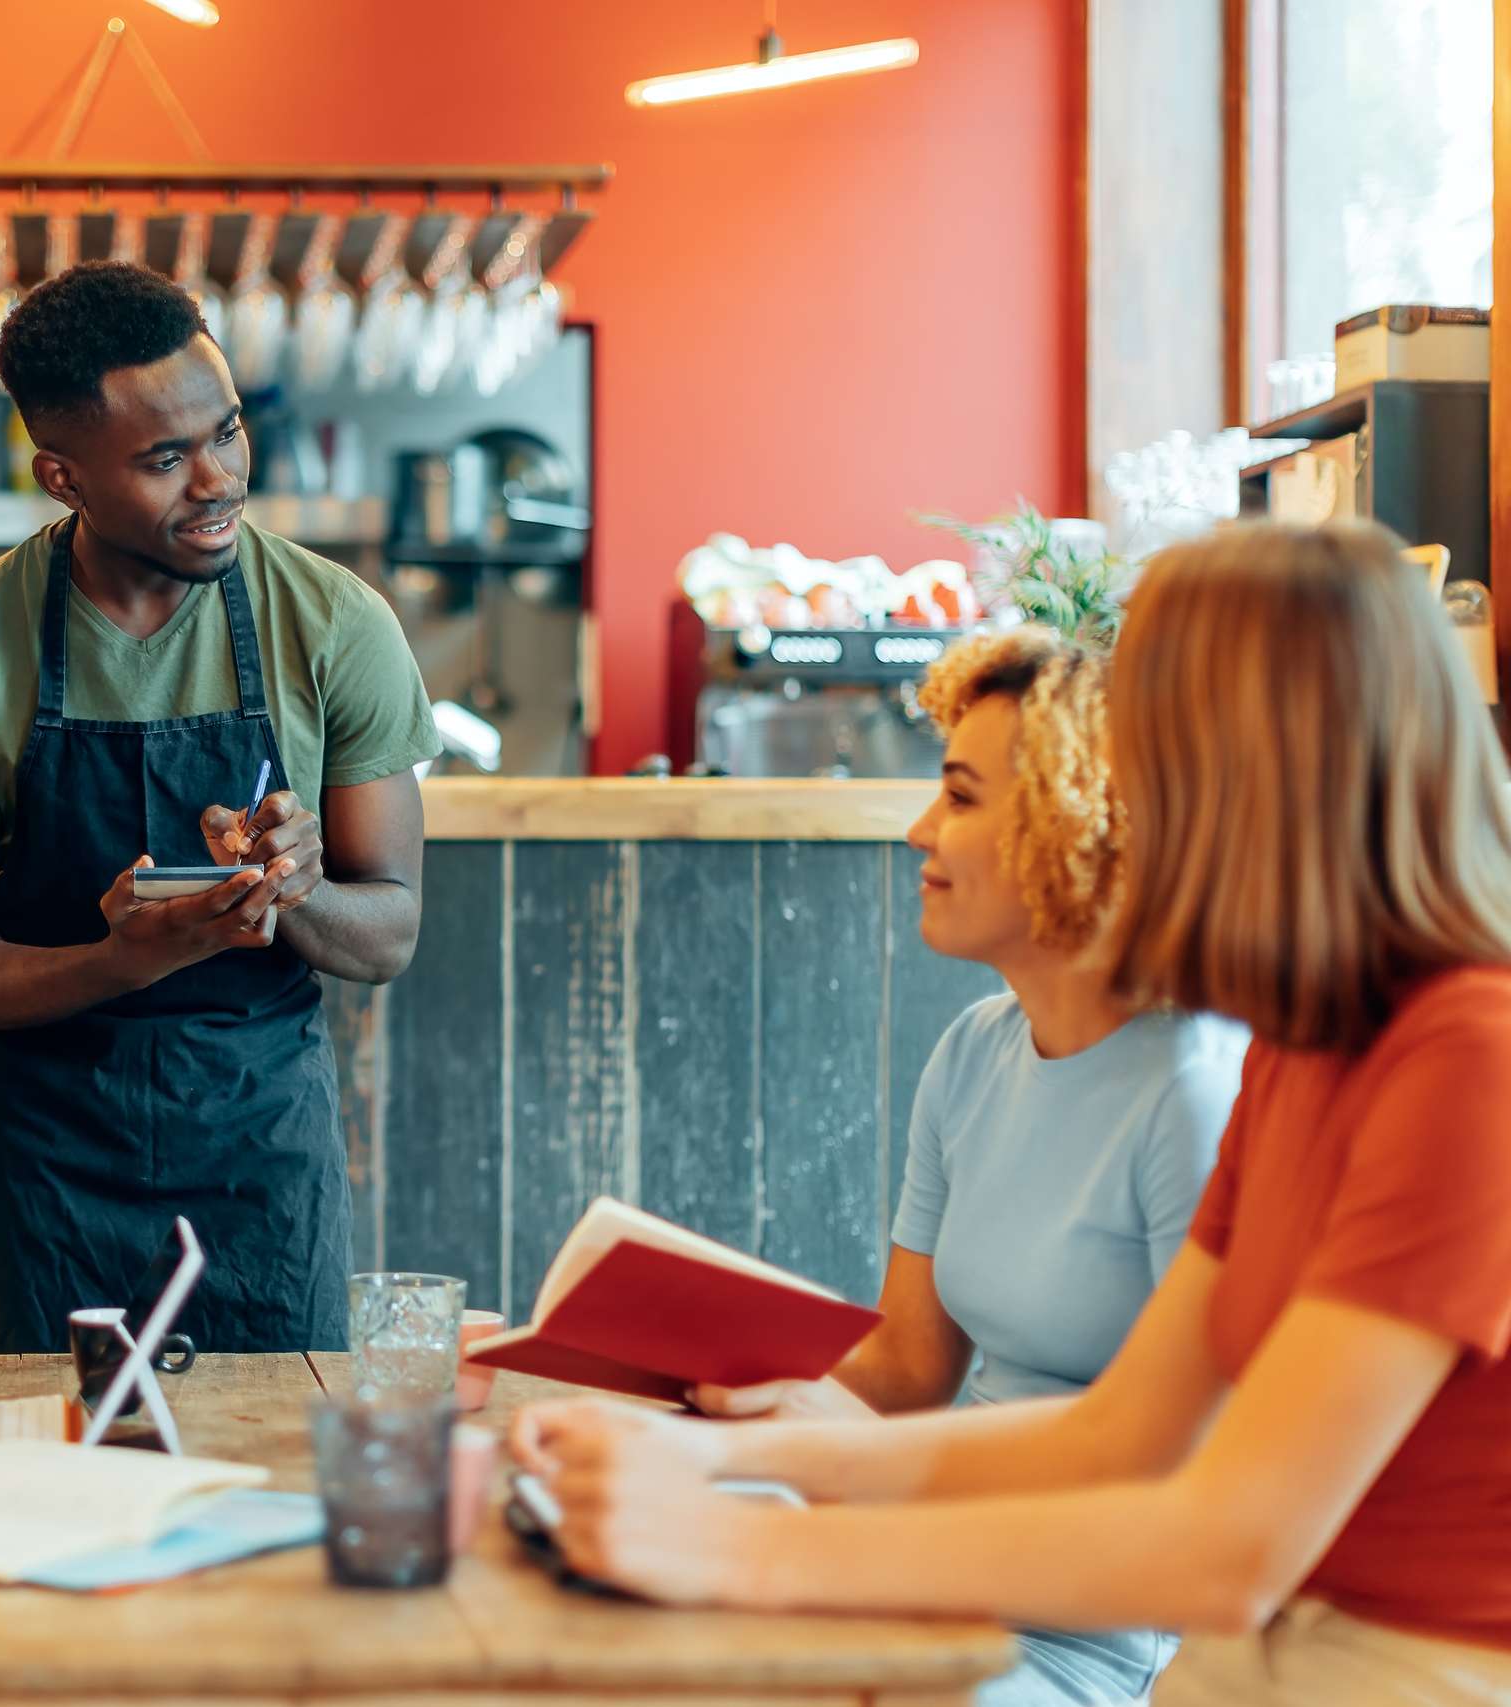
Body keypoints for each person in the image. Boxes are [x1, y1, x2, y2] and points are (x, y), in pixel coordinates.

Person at [513, 521, 1511, 1706]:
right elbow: (1116, 1435)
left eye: (1155, 756)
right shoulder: (1300, 1053)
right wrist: (716, 1456)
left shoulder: (1466, 1058)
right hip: (1254, 1662)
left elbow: (1227, 1546)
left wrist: (739, 1542)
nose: (1123, 810)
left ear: (1264, 773)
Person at [0, 260, 438, 1354]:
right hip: (51, 1156)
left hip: (261, 1143)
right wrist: (122, 957)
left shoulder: (332, 626)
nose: (218, 479)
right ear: (62, 476)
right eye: (165, 459)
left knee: (275, 1483)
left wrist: (301, 891)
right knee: (53, 1470)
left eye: (226, 432)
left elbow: (390, 935)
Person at [687, 627, 1245, 1705]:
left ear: (1080, 824)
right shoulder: (975, 1050)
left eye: (959, 796)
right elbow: (904, 1371)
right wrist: (669, 1364)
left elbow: (1204, 1477)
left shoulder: (1196, 1092)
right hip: (932, 1562)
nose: (918, 830)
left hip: (1097, 1643)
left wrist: (820, 1475)